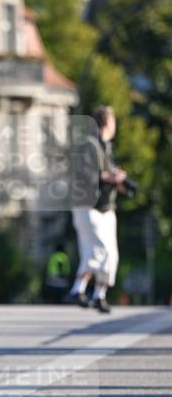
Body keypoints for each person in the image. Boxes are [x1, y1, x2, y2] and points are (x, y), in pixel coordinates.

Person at [66, 105, 126, 313]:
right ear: (106, 122)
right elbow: (86, 174)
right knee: (98, 251)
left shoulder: (106, 147)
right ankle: (77, 289)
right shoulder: (89, 145)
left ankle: (98, 294)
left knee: (110, 254)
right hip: (89, 207)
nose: (115, 125)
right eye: (113, 120)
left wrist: (119, 181)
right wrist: (112, 177)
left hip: (106, 207)